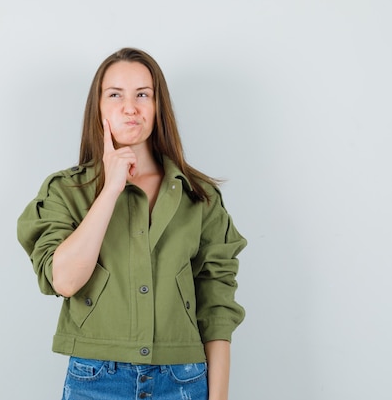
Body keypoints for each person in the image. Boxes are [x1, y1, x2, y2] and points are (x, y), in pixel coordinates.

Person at [17, 47, 246, 400]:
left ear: (158, 107)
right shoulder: (65, 191)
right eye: (115, 95)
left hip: (183, 381)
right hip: (96, 380)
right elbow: (64, 281)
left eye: (143, 94)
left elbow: (217, 307)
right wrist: (110, 189)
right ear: (99, 108)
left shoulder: (199, 197)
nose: (130, 107)